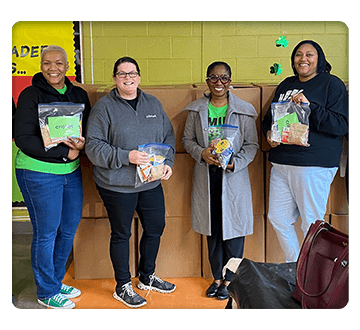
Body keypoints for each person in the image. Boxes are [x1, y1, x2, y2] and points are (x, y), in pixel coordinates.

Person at [85, 56, 176, 308]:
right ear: (114, 78)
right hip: (116, 185)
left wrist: (168, 162)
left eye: (132, 73)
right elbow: (93, 147)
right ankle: (122, 285)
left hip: (150, 182)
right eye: (122, 74)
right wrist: (127, 157)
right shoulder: (104, 108)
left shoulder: (153, 104)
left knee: (155, 228)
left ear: (139, 76)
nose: (128, 78)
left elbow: (168, 134)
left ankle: (146, 277)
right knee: (122, 234)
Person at [14, 45, 91, 309]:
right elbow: (24, 139)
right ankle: (46, 291)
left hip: (70, 172)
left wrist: (81, 147)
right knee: (46, 233)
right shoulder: (30, 95)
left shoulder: (78, 95)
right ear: (41, 65)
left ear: (67, 65)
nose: (53, 68)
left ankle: (55, 281)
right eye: (47, 63)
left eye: (58, 63)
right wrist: (64, 154)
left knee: (68, 229)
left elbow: (87, 130)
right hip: (37, 172)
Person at [261, 40, 349, 262]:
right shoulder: (286, 84)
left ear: (319, 58)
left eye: (310, 54)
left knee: (311, 222)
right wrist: (269, 134)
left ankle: (315, 276)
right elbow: (268, 120)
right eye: (298, 55)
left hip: (313, 164)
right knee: (278, 218)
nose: (303, 59)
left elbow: (340, 125)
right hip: (281, 163)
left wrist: (311, 108)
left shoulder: (331, 84)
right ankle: (297, 267)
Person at [182, 61, 259, 300]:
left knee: (234, 232)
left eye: (224, 78)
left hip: (233, 178)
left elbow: (252, 145)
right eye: (214, 78)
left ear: (230, 81)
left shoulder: (244, 110)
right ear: (207, 80)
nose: (219, 83)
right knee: (212, 230)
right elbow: (187, 140)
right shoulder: (196, 110)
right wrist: (201, 153)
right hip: (207, 177)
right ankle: (216, 278)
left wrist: (236, 162)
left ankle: (230, 279)